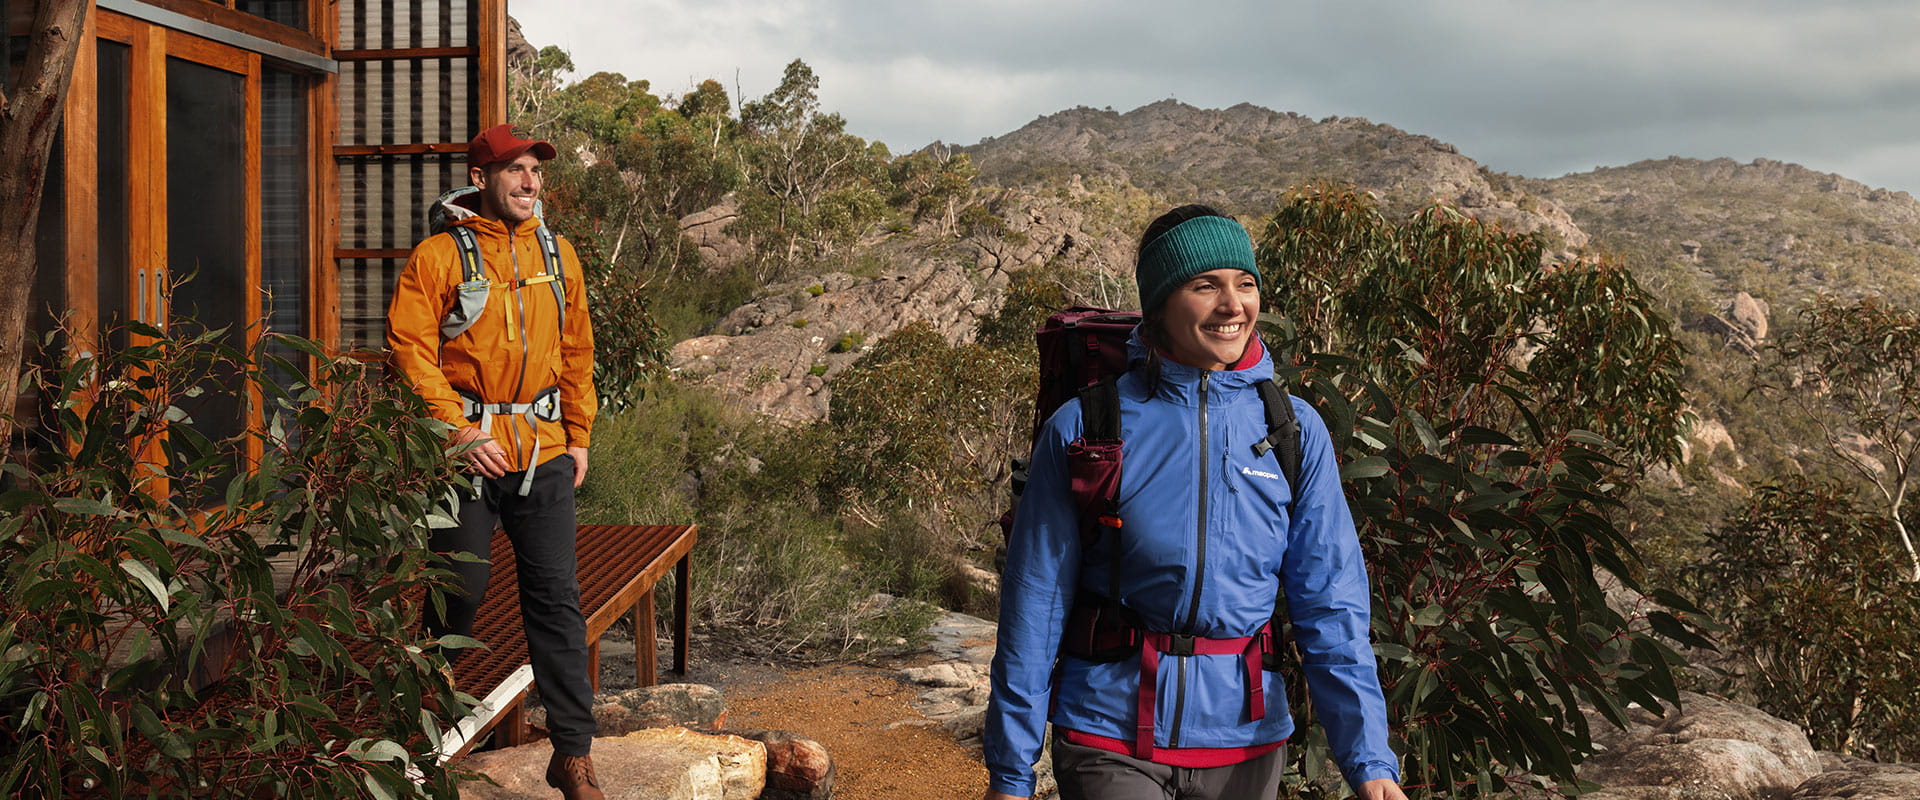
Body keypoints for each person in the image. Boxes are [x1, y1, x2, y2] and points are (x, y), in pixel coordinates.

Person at [982, 205, 1408, 800]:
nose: (1233, 305)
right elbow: (1035, 603)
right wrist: (1011, 772)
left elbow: (1331, 601)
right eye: (1205, 285)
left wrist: (1369, 761)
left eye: (1245, 283)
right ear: (1159, 304)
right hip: (1109, 732)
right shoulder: (1087, 427)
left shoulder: (1292, 431)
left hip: (1247, 740)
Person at [387, 124, 603, 800]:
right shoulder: (437, 257)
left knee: (557, 601)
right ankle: (425, 738)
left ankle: (572, 755)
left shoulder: (558, 254)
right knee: (458, 591)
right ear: (480, 178)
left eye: (535, 169)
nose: (529, 181)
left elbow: (577, 347)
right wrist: (456, 433)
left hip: (544, 452)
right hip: (466, 456)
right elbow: (409, 350)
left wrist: (579, 433)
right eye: (514, 169)